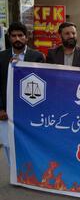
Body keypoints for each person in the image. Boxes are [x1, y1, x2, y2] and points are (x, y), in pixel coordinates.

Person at [0, 22, 45, 164]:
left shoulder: (37, 56)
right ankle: (14, 175)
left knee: (28, 144)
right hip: (6, 110)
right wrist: (0, 108)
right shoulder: (1, 57)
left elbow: (42, 82)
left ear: (26, 38)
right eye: (14, 36)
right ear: (9, 38)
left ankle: (27, 174)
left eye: (20, 35)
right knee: (8, 143)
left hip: (29, 109)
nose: (17, 39)